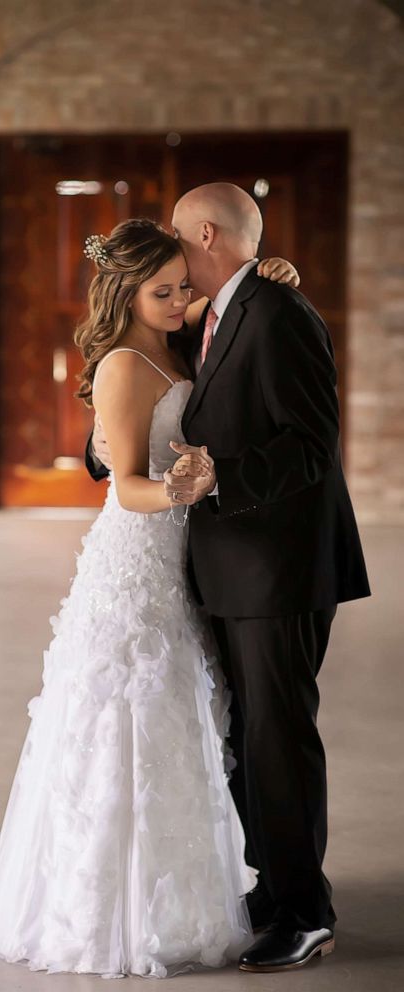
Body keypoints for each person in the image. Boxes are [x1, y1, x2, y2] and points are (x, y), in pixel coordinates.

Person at [0, 217, 301, 978]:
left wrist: (275, 274)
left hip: (182, 563)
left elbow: (235, 332)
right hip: (137, 561)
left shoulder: (179, 339)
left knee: (175, 730)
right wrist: (182, 488)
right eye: (163, 291)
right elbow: (124, 488)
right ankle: (108, 908)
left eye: (184, 286)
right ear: (125, 292)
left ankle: (181, 895)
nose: (181, 299)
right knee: (124, 724)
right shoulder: (123, 364)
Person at [88, 184, 371, 973]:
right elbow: (149, 403)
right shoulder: (205, 318)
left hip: (277, 567)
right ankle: (274, 886)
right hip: (221, 567)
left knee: (276, 736)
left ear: (203, 231)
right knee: (245, 733)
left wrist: (220, 480)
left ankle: (302, 912)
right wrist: (104, 452)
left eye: (180, 242)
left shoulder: (277, 313)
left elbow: (311, 445)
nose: (175, 265)